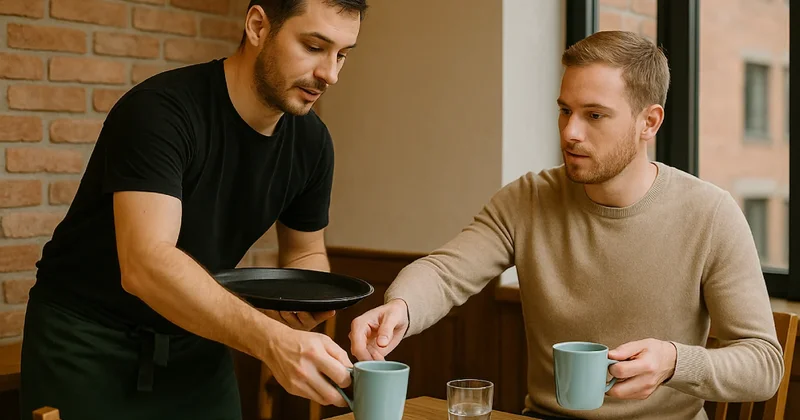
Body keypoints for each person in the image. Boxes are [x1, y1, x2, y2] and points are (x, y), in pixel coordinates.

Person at [349, 30, 784, 420]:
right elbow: (445, 273)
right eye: (565, 110)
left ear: (648, 122)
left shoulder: (711, 214)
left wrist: (675, 361)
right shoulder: (529, 198)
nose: (570, 132)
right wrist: (402, 306)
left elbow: (763, 364)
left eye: (594, 115)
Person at [20, 0, 367, 419]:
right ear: (258, 26)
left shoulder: (313, 143)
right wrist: (272, 339)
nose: (330, 74)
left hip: (198, 339)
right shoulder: (160, 111)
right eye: (314, 46)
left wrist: (307, 303)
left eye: (342, 55)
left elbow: (305, 251)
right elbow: (146, 265)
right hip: (85, 341)